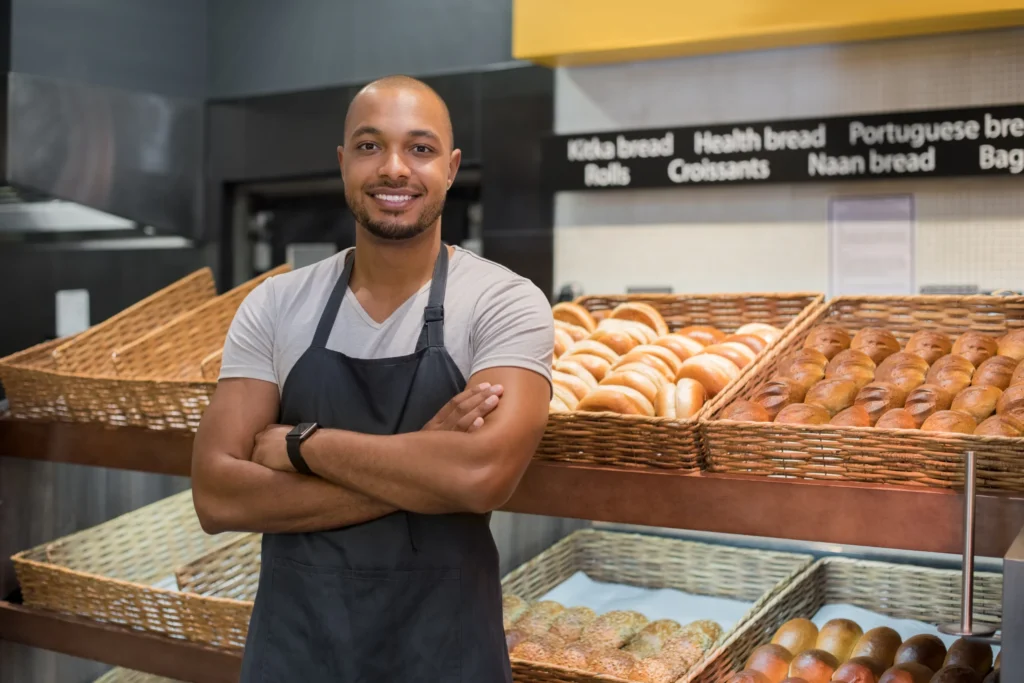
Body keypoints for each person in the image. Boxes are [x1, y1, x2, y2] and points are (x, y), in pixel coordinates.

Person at [191, 75, 554, 682]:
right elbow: (217, 495)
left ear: (451, 166)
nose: (394, 169)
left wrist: (300, 445)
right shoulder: (276, 304)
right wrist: (425, 461)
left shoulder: (504, 302)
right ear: (342, 162)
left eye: (420, 148)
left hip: (446, 653)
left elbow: (481, 475)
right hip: (297, 653)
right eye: (368, 146)